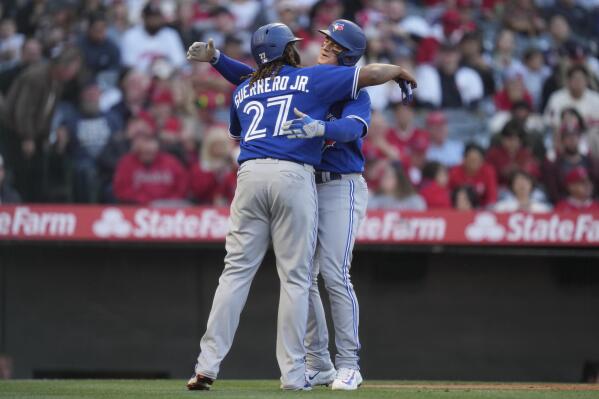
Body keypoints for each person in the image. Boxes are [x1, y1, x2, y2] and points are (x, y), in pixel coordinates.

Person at [185, 22, 416, 391]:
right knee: (302, 279)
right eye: (325, 38)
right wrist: (217, 59)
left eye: (334, 42)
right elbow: (261, 77)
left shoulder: (354, 90)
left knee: (334, 273)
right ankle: (318, 364)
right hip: (303, 183)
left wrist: (321, 129)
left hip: (341, 184)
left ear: (349, 54)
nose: (324, 43)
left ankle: (350, 364)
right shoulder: (310, 79)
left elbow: (352, 129)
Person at [112, 129, 189, 205]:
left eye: (150, 152)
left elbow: (182, 187)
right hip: (136, 206)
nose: (148, 154)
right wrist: (145, 201)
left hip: (168, 206)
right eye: (145, 152)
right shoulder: (127, 163)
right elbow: (121, 190)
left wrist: (165, 201)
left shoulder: (171, 162)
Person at [449, 143, 497, 207]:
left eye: (477, 160)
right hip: (459, 209)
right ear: (464, 159)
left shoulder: (488, 171)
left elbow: (492, 195)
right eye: (471, 160)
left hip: (482, 209)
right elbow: (448, 194)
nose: (474, 163)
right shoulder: (454, 172)